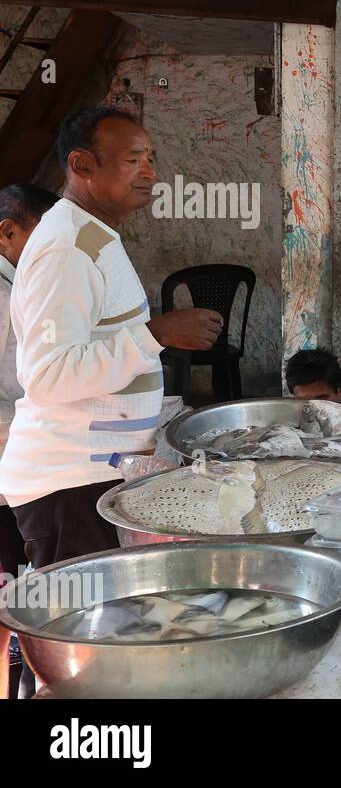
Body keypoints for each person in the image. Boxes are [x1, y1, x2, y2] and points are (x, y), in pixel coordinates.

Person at [0, 107, 222, 569]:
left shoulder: (91, 234)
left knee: (109, 620)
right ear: (82, 165)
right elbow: (48, 375)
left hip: (97, 473)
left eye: (151, 158)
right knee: (84, 625)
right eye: (133, 159)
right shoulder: (65, 248)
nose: (150, 171)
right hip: (68, 484)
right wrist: (155, 334)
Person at [0, 184, 59, 579]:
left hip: (19, 435)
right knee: (12, 558)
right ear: (7, 232)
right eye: (42, 237)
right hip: (7, 436)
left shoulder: (18, 280)